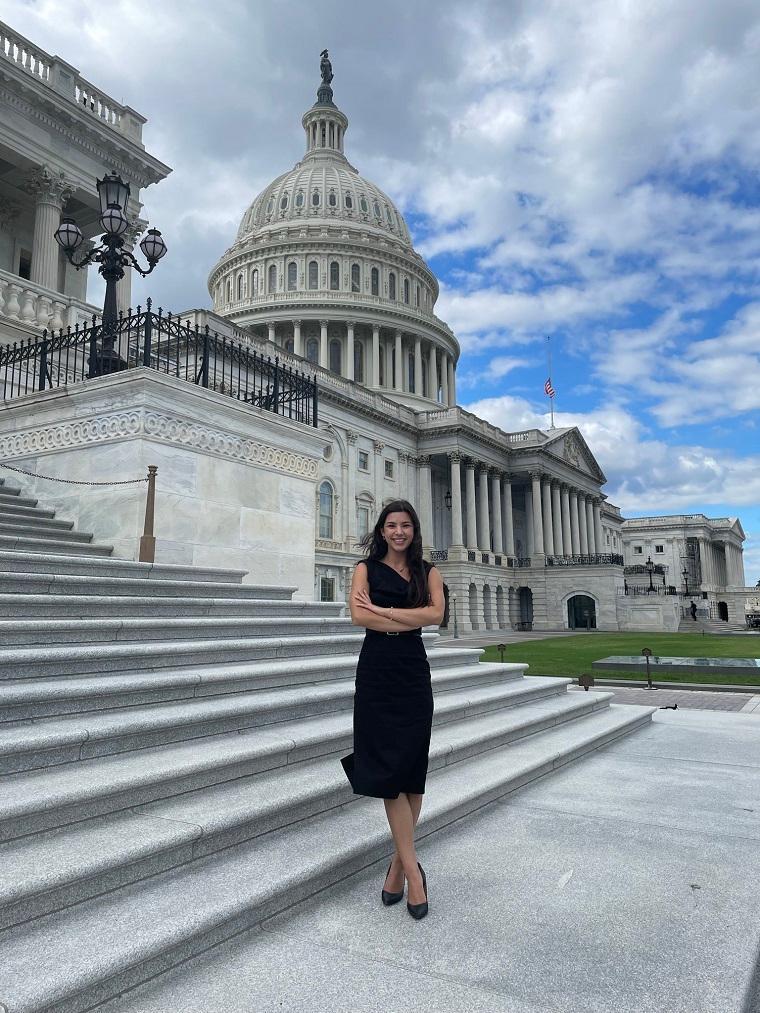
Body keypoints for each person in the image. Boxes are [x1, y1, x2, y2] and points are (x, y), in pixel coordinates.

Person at [341, 500, 445, 920]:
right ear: (381, 531)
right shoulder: (364, 569)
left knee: (412, 772)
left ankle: (398, 867)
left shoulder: (428, 572)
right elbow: (357, 617)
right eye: (391, 525)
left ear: (414, 530)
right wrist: (403, 617)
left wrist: (383, 611)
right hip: (377, 674)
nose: (398, 532)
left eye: (405, 525)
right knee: (388, 774)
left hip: (413, 674)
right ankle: (413, 873)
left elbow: (435, 614)